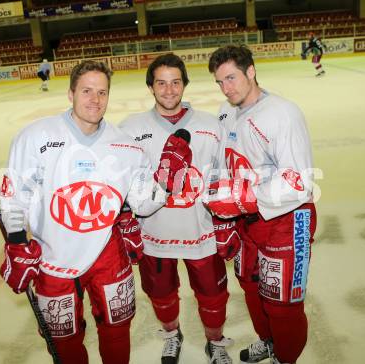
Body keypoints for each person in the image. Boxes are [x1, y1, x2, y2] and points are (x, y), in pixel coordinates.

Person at [0, 60, 192, 364]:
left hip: (107, 252)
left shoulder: (126, 147)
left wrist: (166, 184)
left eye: (102, 92)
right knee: (64, 341)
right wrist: (16, 240)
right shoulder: (35, 136)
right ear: (71, 93)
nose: (95, 100)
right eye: (86, 91)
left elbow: (143, 203)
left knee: (117, 330)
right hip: (53, 257)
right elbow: (13, 197)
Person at [120, 53, 239, 364]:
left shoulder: (211, 125)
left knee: (213, 296)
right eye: (161, 83)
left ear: (185, 84)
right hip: (154, 235)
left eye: (175, 82)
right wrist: (125, 220)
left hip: (202, 232)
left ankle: (215, 343)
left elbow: (222, 176)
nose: (169, 90)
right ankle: (172, 336)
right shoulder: (130, 129)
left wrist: (227, 223)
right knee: (161, 295)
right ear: (150, 87)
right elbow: (121, 181)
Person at [206, 45, 317, 364]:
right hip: (246, 220)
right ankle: (268, 341)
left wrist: (242, 199)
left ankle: (286, 358)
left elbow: (299, 181)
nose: (227, 88)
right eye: (220, 82)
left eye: (231, 78)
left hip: (286, 219)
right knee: (252, 288)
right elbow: (224, 164)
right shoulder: (226, 112)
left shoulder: (282, 113)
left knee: (282, 303)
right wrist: (221, 210)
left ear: (251, 71)